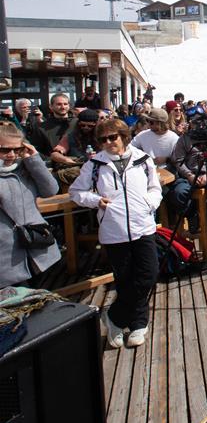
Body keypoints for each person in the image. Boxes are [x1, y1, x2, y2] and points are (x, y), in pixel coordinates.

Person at [70, 118, 162, 348]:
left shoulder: (143, 159)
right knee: (125, 278)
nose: (109, 142)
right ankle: (137, 324)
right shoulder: (94, 165)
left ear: (123, 136)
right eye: (103, 139)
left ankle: (115, 317)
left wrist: (149, 203)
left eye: (113, 137)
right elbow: (76, 192)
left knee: (148, 274)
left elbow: (155, 187)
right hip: (114, 230)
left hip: (143, 226)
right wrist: (95, 200)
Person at [0, 123, 60, 288]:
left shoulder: (25, 168)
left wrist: (34, 159)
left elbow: (51, 190)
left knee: (39, 294)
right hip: (7, 254)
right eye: (4, 150)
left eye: (17, 150)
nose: (11, 155)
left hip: (36, 245)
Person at [168, 108, 207, 233]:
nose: (197, 124)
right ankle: (191, 214)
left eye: (200, 120)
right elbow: (178, 160)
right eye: (194, 121)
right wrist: (189, 175)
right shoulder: (183, 139)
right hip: (189, 174)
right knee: (178, 192)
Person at [50, 108, 100, 187]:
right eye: (82, 125)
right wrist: (65, 159)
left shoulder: (103, 137)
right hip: (77, 172)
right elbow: (55, 154)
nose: (86, 127)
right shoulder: (70, 137)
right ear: (78, 124)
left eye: (90, 126)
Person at [32, 93, 72, 157]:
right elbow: (37, 150)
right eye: (59, 104)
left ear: (69, 106)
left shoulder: (77, 123)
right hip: (53, 164)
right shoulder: (41, 128)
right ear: (51, 106)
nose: (63, 107)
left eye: (65, 104)